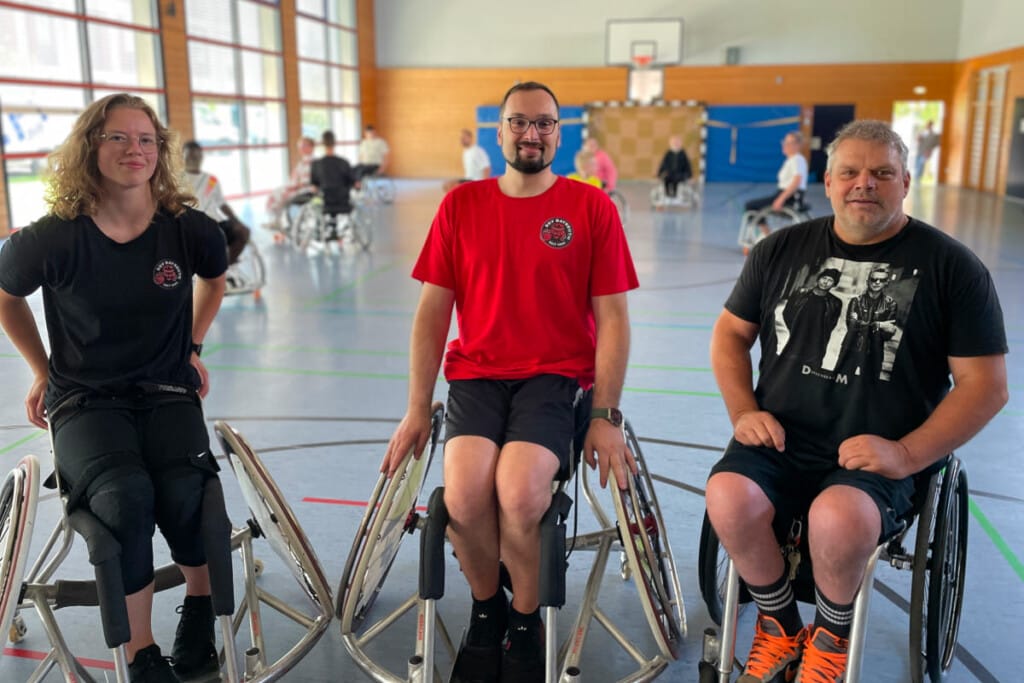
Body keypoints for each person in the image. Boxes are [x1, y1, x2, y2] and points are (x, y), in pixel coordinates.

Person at [705, 119, 1007, 683]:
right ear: (828, 181)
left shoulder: (954, 269)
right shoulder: (780, 249)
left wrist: (908, 454)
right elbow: (729, 335)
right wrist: (744, 412)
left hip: (876, 454)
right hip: (783, 439)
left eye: (881, 173)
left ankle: (832, 637)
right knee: (727, 496)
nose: (864, 184)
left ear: (906, 181)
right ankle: (779, 625)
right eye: (851, 172)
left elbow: (985, 386)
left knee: (839, 518)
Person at [380, 81, 638, 682]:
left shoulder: (590, 207)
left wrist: (604, 415)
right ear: (499, 132)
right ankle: (487, 608)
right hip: (477, 376)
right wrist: (418, 407)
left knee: (521, 494)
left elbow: (614, 320)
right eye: (519, 123)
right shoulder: (461, 206)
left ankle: (526, 621)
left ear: (559, 133)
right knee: (466, 494)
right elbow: (431, 315)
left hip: (554, 379)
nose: (532, 134)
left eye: (544, 124)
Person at [0, 93, 229, 683]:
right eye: (118, 138)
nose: (135, 149)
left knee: (185, 493)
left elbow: (215, 276)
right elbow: (6, 295)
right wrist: (42, 369)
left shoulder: (187, 230)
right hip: (86, 399)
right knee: (125, 499)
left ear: (159, 152)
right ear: (90, 148)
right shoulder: (53, 238)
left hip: (166, 390)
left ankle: (200, 608)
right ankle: (141, 653)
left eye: (146, 139)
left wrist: (193, 346)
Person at [182, 140, 251, 266]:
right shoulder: (177, 179)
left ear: (201, 157)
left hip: (215, 222)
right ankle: (214, 270)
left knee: (243, 232)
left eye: (196, 155)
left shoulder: (211, 180)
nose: (193, 159)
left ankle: (225, 265)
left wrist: (237, 221)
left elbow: (221, 203)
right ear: (183, 157)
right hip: (193, 225)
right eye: (190, 156)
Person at [836, 266, 899, 380]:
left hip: (874, 352)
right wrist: (879, 325)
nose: (877, 282)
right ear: (868, 281)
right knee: (840, 381)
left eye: (882, 280)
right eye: (873, 279)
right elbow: (851, 325)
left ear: (886, 283)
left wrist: (860, 323)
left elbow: (887, 335)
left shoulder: (891, 304)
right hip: (851, 349)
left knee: (868, 387)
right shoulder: (856, 301)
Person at [743, 131, 809, 239]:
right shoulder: (791, 160)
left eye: (788, 143)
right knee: (752, 205)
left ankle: (767, 236)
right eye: (784, 142)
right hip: (785, 194)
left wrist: (781, 199)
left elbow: (797, 181)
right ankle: (767, 235)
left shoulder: (797, 159)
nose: (784, 145)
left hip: (790, 197)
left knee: (751, 206)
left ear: (797, 145)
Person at [779, 267, 843, 370]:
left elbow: (832, 323)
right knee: (788, 366)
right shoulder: (801, 294)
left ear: (834, 284)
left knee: (810, 369)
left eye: (830, 280)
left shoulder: (835, 303)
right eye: (824, 278)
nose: (825, 282)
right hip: (796, 339)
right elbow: (787, 313)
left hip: (816, 343)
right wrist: (794, 329)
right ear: (818, 279)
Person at [264, 135, 316, 230]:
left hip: (305, 190)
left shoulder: (312, 161)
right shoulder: (304, 161)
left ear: (310, 147)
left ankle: (278, 221)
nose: (300, 148)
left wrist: (294, 186)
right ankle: (277, 220)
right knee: (277, 191)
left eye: (303, 146)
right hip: (299, 187)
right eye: (300, 146)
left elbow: (307, 181)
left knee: (279, 194)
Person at [310, 130, 358, 229]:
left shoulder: (316, 164)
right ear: (335, 143)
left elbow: (314, 186)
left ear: (322, 143)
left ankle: (321, 227)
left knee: (315, 199)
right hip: (343, 202)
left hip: (325, 202)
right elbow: (354, 183)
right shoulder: (344, 163)